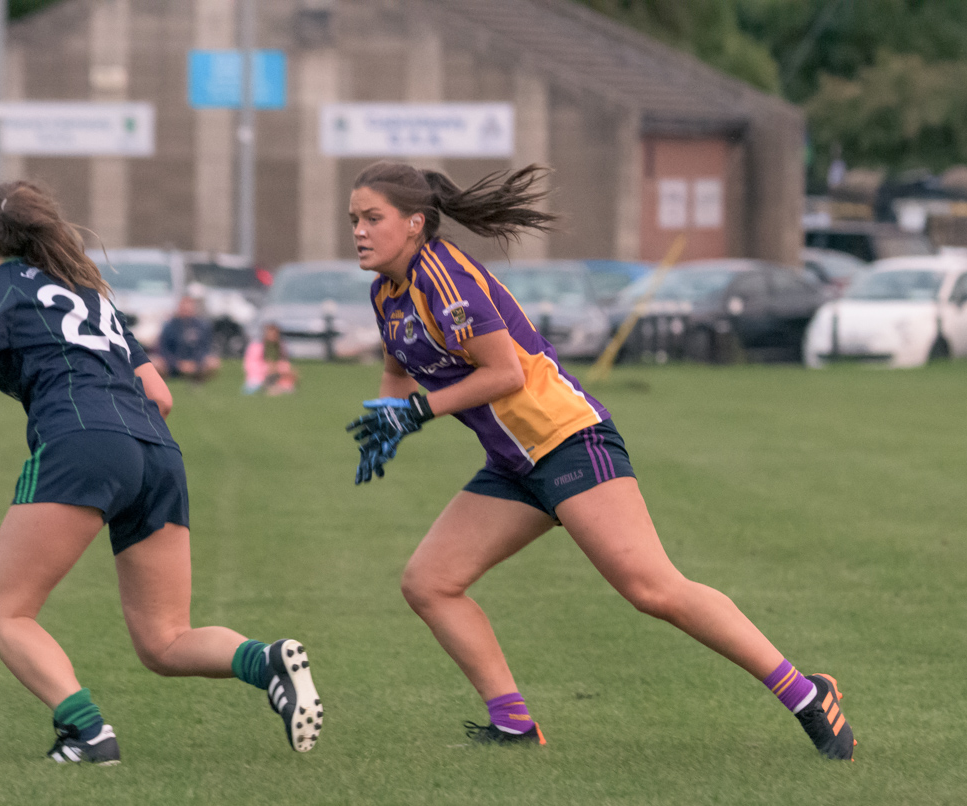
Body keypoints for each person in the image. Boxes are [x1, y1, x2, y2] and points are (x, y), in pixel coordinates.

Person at [343, 161, 855, 759]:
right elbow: (399, 366)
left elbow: (504, 373)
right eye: (353, 218)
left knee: (652, 588)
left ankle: (806, 693)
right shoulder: (387, 293)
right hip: (514, 464)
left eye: (371, 218)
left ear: (414, 223)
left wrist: (419, 413)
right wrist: (388, 420)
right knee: (429, 582)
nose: (358, 230)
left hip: (568, 440)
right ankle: (514, 725)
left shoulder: (445, 279)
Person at [0, 180, 323, 763]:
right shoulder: (89, 292)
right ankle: (265, 660)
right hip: (157, 451)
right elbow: (160, 394)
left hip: (80, 444)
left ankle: (86, 734)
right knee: (165, 640)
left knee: (5, 614)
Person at [153, 295, 221, 382]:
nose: (186, 312)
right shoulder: (169, 326)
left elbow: (205, 348)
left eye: (189, 309)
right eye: (184, 309)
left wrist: (195, 362)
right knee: (155, 363)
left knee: (213, 363)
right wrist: (177, 364)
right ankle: (164, 381)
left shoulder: (202, 326)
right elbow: (163, 349)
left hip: (195, 363)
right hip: (173, 364)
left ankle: (198, 379)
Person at [242, 323, 298, 395]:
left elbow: (284, 362)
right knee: (254, 387)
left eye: (275, 334)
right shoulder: (256, 347)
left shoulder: (281, 347)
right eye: (271, 334)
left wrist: (286, 370)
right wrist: (268, 368)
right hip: (259, 377)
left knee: (288, 386)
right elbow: (250, 366)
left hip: (277, 376)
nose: (273, 337)